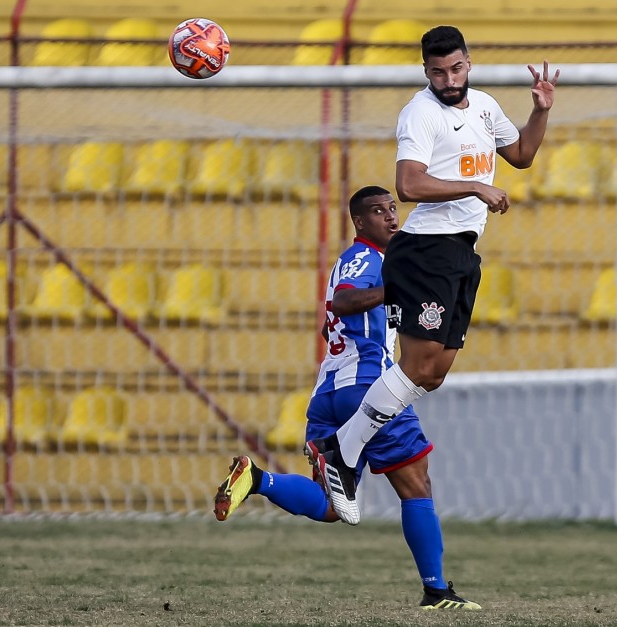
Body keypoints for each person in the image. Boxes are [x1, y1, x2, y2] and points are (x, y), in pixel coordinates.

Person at [305, 26, 559, 526]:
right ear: (426, 71)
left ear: (469, 63)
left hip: (461, 253)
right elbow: (409, 183)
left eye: (456, 68)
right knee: (418, 365)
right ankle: (343, 452)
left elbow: (523, 156)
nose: (449, 79)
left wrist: (541, 111)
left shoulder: (484, 105)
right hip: (426, 251)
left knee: (433, 374)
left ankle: (343, 449)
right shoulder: (419, 113)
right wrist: (476, 188)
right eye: (438, 71)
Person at [213, 185, 481, 611]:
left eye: (393, 208)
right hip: (367, 388)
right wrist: (399, 290)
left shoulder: (382, 262)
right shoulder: (364, 257)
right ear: (359, 221)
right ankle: (436, 592)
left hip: (329, 394)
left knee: (333, 504)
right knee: (416, 485)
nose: (391, 217)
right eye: (378, 211)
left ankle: (257, 479)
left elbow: (336, 320)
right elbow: (343, 302)